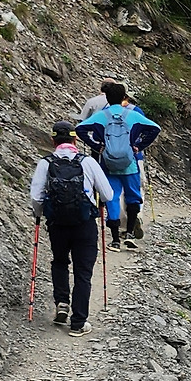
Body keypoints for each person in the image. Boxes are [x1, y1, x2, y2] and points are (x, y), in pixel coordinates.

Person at [29, 121, 112, 333]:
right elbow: (108, 194)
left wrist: (39, 214)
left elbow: (36, 197)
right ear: (75, 139)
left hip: (57, 223)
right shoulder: (87, 162)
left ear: (53, 140)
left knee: (59, 262)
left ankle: (62, 303)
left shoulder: (45, 163)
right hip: (84, 224)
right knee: (83, 272)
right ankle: (78, 323)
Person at [77, 80, 160, 250]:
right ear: (124, 97)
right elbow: (155, 128)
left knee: (112, 197)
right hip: (130, 162)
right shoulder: (132, 114)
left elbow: (80, 129)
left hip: (108, 162)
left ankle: (115, 239)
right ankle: (129, 233)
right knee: (133, 196)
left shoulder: (102, 115)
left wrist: (96, 146)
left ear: (107, 97)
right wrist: (139, 146)